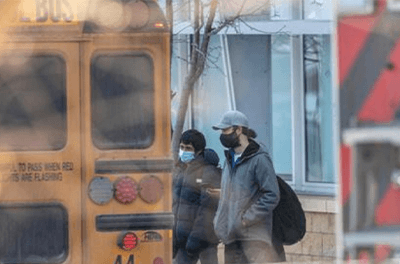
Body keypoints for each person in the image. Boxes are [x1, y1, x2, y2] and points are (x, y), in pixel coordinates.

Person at [212, 110, 286, 264]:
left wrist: (245, 219)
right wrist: (220, 223)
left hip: (253, 240)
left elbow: (272, 195)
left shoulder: (260, 159)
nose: (222, 135)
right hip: (231, 238)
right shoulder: (228, 159)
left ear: (239, 130)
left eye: (225, 130)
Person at [172, 129, 221, 264]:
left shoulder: (208, 172)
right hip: (183, 239)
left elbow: (208, 209)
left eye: (188, 148)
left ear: (198, 151)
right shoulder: (181, 171)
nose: (184, 151)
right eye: (182, 147)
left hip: (204, 239)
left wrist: (196, 239)